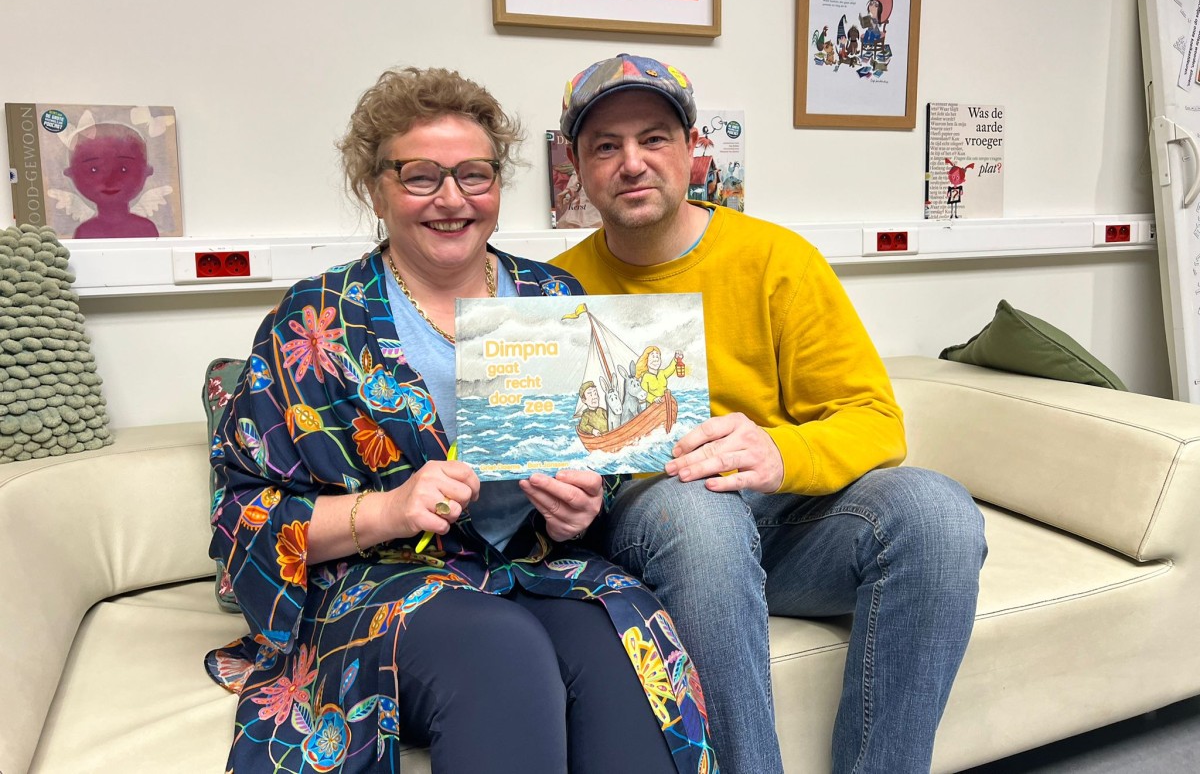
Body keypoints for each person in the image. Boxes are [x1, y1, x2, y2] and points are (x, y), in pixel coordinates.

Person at [205, 66, 716, 774]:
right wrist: (387, 510)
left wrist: (581, 511)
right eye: (421, 176)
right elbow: (242, 518)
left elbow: (602, 462)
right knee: (502, 648)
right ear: (375, 188)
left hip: (536, 568)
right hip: (379, 583)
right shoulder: (315, 320)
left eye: (475, 175)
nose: (452, 199)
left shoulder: (552, 298)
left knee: (625, 651)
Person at [551, 52, 987, 774]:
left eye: (654, 138)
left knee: (937, 512)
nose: (632, 162)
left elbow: (875, 418)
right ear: (576, 165)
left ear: (693, 149)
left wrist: (782, 454)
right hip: (656, 527)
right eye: (605, 146)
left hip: (783, 521)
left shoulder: (780, 260)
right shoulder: (553, 289)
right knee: (701, 510)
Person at [62, 122, 158, 237]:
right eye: (94, 170)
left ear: (145, 171)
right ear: (72, 174)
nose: (110, 180)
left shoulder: (146, 229)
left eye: (123, 169)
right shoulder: (85, 232)